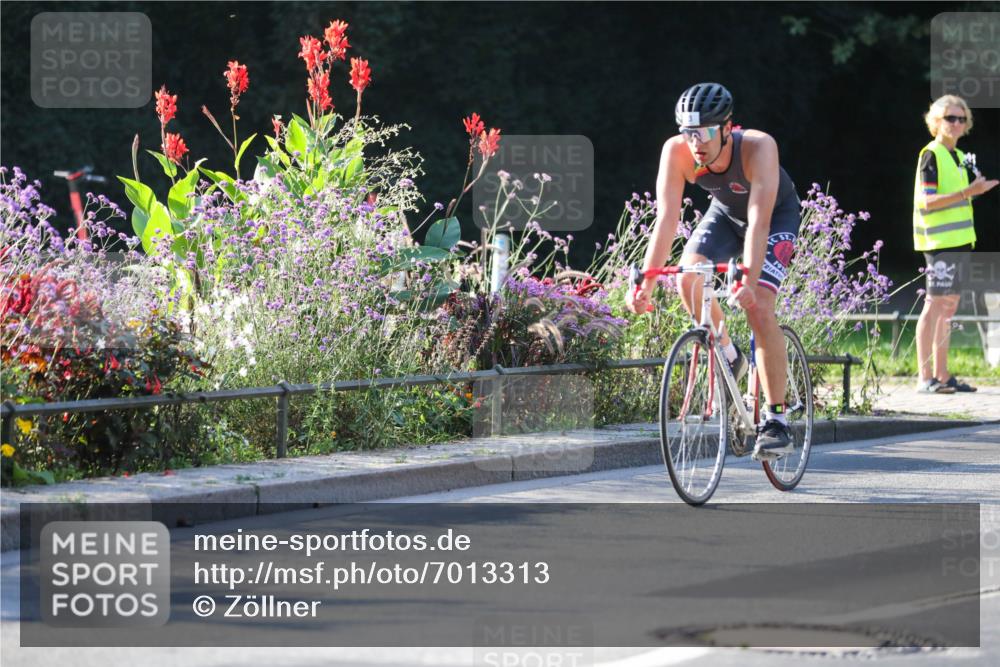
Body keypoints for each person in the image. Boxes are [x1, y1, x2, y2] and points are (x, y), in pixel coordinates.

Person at [625, 82, 801, 457]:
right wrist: (647, 283)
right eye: (688, 132)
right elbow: (666, 219)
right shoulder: (676, 152)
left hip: (773, 217)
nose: (696, 142)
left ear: (727, 128)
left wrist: (749, 283)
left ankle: (777, 420)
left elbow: (758, 222)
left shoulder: (758, 147)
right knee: (689, 275)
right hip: (724, 214)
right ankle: (729, 354)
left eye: (704, 131)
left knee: (759, 306)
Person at [912, 95, 998, 394]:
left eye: (961, 118)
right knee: (934, 305)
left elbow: (958, 196)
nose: (957, 123)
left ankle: (943, 375)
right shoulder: (931, 154)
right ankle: (925, 378)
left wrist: (975, 191)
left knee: (948, 308)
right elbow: (927, 202)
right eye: (950, 118)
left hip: (960, 242)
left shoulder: (958, 156)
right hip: (939, 244)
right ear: (936, 121)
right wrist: (967, 192)